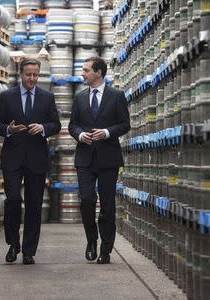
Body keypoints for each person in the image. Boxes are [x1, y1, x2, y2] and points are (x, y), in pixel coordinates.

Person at [0, 58, 61, 265]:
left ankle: (29, 250)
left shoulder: (47, 97)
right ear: (20, 74)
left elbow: (55, 125)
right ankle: (13, 243)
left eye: (35, 75)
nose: (32, 78)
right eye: (28, 74)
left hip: (36, 157)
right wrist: (8, 130)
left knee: (34, 205)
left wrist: (43, 129)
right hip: (13, 157)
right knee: (13, 199)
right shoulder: (7, 96)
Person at [68, 56, 130, 264]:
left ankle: (106, 249)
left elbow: (124, 124)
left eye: (86, 70)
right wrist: (80, 135)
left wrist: (105, 132)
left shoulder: (116, 96)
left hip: (107, 158)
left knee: (107, 206)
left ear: (99, 72)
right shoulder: (79, 97)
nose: (83, 74)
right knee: (86, 200)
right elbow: (72, 125)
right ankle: (91, 240)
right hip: (85, 158)